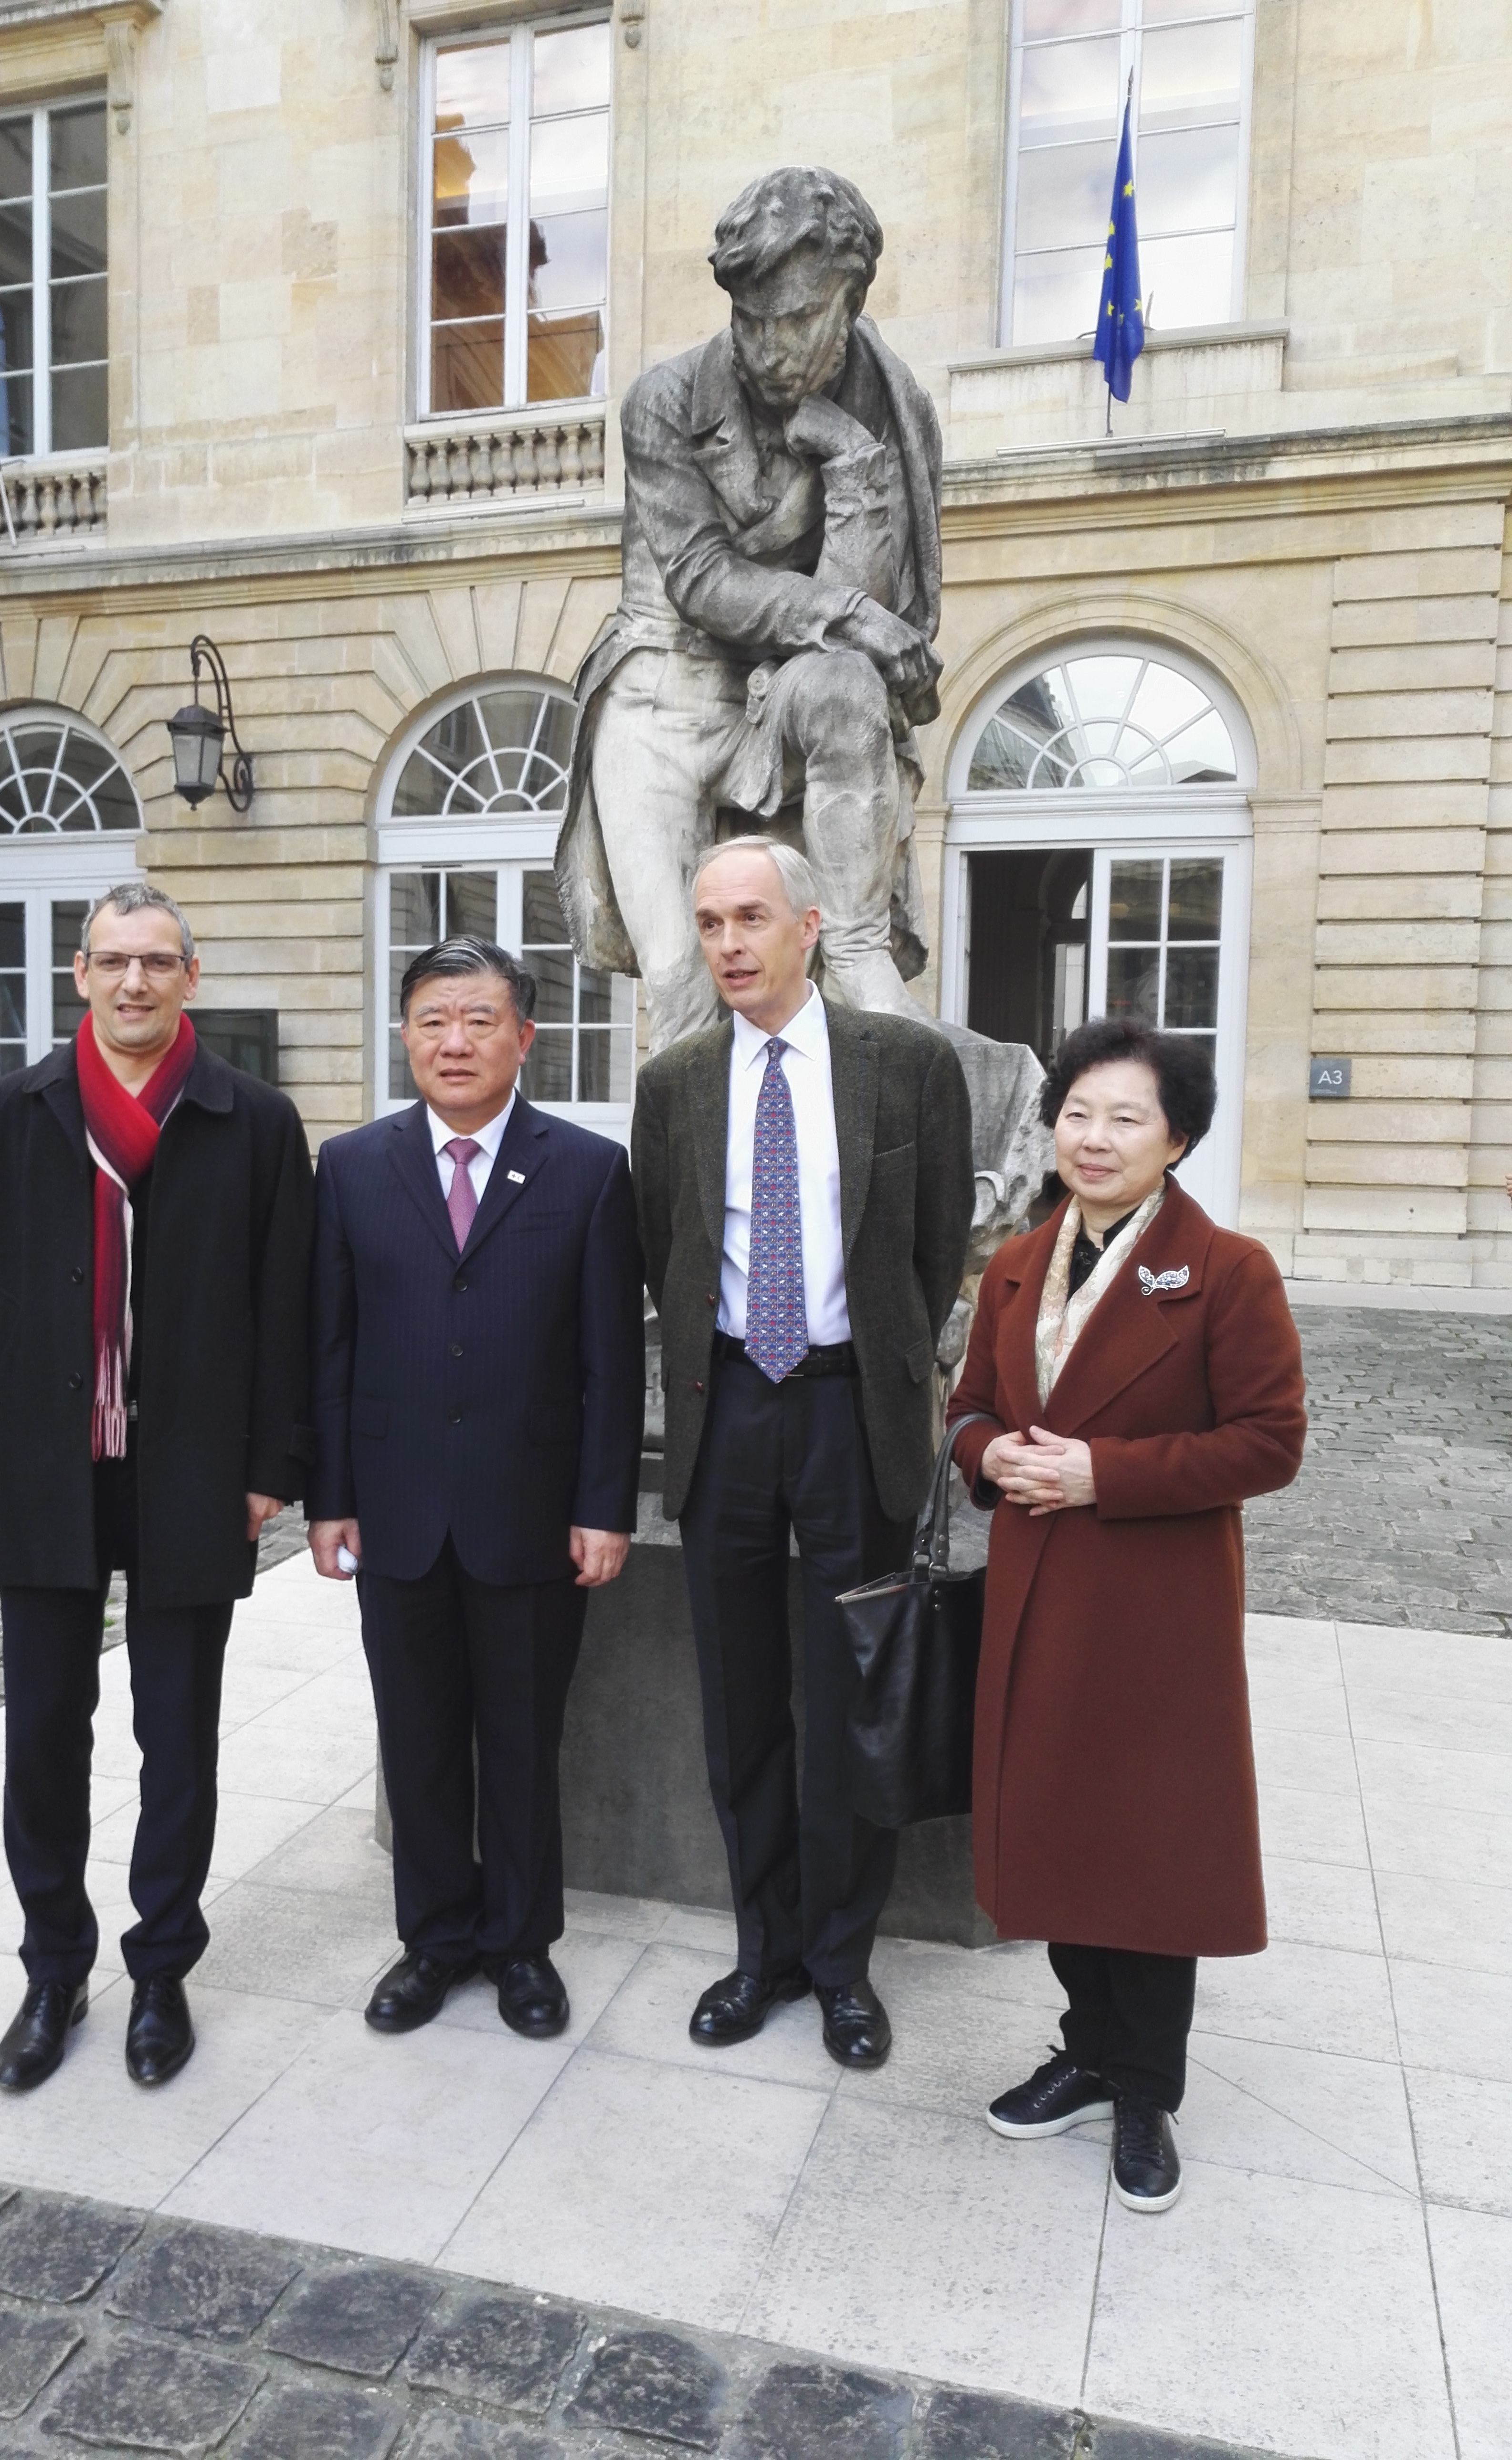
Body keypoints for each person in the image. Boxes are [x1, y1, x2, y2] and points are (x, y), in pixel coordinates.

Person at [0, 881, 313, 2095]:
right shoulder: (21, 1109)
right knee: (45, 1728)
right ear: (80, 974)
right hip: (48, 1463)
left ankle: (161, 1967)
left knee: (178, 1731)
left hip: (193, 1465)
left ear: (190, 976)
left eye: (158, 962)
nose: (135, 982)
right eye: (113, 962)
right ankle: (55, 1966)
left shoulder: (252, 1120)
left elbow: (285, 1312)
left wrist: (268, 1468)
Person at [948, 1016, 1306, 2212]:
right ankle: (1086, 2046)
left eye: (1126, 1119)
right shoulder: (1014, 1260)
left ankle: (1146, 2082)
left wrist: (1106, 1472)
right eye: (1076, 1113)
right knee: (1056, 1830)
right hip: (1037, 1592)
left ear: (1179, 1140)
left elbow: (1269, 1443)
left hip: (1158, 1607)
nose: (1091, 1139)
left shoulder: (1228, 1270)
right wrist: (992, 1452)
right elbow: (965, 1409)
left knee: (1150, 1844)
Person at [632, 837, 973, 2067]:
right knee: (740, 1707)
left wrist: (877, 1365)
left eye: (751, 918)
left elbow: (937, 1248)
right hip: (727, 1413)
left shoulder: (909, 1065)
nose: (729, 943)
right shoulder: (674, 1082)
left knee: (849, 1703)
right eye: (712, 921)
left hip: (848, 1412)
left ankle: (843, 1963)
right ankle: (761, 1949)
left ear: (809, 924)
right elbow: (659, 1245)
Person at [307, 935, 645, 2041]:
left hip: (532, 1517)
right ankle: (435, 1937)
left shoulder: (588, 1171)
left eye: (479, 1019)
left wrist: (604, 1503)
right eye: (433, 1019)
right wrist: (330, 1495)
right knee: (417, 1737)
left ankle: (520, 1945)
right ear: (404, 1034)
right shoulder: (354, 1166)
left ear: (524, 1036)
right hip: (396, 1512)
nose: (456, 1041)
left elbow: (609, 1359)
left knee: (521, 1739)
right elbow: (333, 1346)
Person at [557, 166, 945, 1053]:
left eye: (799, 320)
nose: (772, 349)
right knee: (682, 988)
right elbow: (700, 578)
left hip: (779, 687)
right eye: (751, 320)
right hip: (664, 687)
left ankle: (854, 945)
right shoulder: (664, 400)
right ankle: (689, 1191)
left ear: (851, 303)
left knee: (849, 690)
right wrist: (849, 614)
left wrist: (853, 469)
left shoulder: (889, 407)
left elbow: (872, 611)